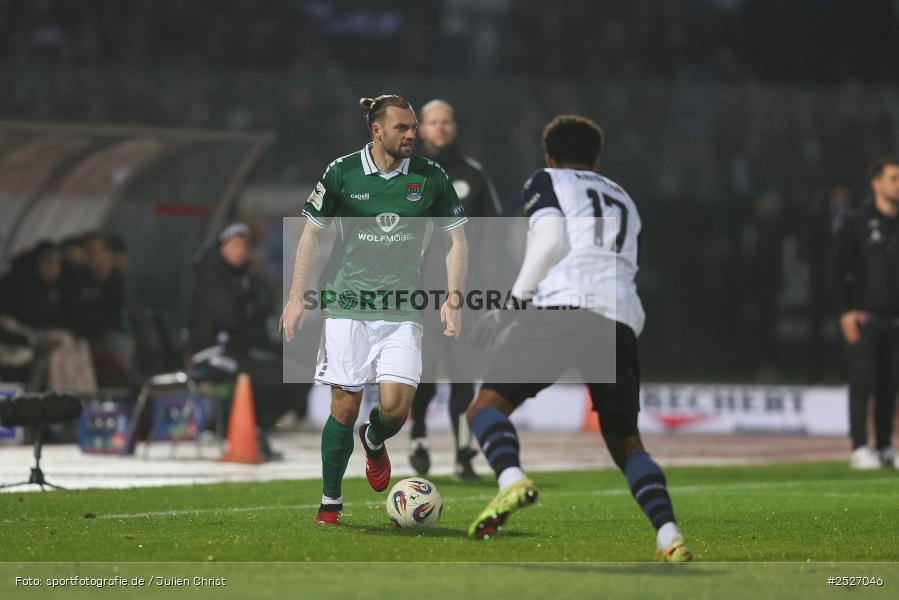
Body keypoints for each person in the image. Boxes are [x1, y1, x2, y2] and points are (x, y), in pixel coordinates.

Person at [463, 115, 691, 562]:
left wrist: (510, 307)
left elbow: (548, 242)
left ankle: (511, 479)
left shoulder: (546, 180)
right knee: (627, 443)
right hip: (618, 317)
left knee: (484, 409)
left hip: (565, 306)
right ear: (596, 161)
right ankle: (669, 536)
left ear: (550, 158)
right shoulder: (624, 198)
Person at [279, 94, 468, 525]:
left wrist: (454, 296)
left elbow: (457, 240)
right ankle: (330, 500)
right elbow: (311, 234)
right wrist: (296, 296)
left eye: (414, 127)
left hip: (403, 309)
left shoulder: (430, 176)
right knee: (344, 406)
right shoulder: (342, 171)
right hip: (347, 303)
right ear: (377, 130)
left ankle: (375, 438)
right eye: (403, 127)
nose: (412, 134)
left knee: (397, 409)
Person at [408, 99, 503, 481]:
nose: (440, 127)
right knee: (424, 373)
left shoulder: (474, 175)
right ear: (421, 129)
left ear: (455, 127)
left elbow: (493, 238)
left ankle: (464, 454)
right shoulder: (405, 172)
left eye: (446, 121)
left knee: (464, 377)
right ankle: (418, 436)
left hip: (465, 295)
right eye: (433, 122)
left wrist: (492, 294)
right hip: (419, 295)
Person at [190, 222, 301, 460]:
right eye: (235, 244)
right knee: (267, 378)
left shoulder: (246, 276)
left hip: (239, 349)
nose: (241, 250)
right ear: (222, 246)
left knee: (297, 374)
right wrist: (250, 306)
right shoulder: (211, 274)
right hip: (210, 353)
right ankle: (238, 428)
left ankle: (256, 428)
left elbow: (263, 307)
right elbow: (231, 317)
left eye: (245, 245)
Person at [828, 157, 899, 470]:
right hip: (864, 318)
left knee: (889, 385)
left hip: (895, 319)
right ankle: (859, 447)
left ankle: (884, 447)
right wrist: (845, 312)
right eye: (893, 178)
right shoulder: (857, 222)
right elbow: (834, 270)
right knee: (862, 382)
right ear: (876, 184)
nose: (898, 185)